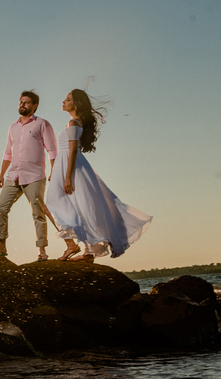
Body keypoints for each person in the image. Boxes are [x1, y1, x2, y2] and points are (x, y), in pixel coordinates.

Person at [45, 89, 152, 262]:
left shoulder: (73, 124)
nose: (63, 102)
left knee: (71, 204)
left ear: (76, 104)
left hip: (71, 166)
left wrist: (67, 177)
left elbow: (72, 151)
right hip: (66, 165)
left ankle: (84, 249)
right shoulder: (73, 122)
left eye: (68, 99)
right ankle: (86, 249)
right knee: (79, 205)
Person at [0, 91, 58, 261]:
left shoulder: (42, 124)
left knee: (38, 213)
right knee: (1, 208)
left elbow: (52, 149)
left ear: (34, 106)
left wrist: (54, 171)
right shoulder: (12, 127)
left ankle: (41, 251)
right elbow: (8, 153)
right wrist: (1, 174)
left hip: (35, 175)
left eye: (27, 103)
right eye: (21, 102)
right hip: (13, 175)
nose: (22, 105)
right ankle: (1, 246)